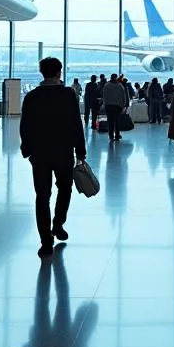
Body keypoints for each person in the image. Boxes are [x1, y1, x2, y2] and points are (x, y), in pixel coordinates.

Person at [19, 57, 86, 258]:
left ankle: (45, 241)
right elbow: (76, 123)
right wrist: (80, 150)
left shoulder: (32, 97)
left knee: (42, 196)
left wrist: (27, 149)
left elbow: (25, 126)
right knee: (65, 188)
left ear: (42, 72)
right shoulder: (68, 95)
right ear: (60, 72)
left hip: (40, 153)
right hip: (63, 151)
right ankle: (58, 223)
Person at [101, 73, 128, 143]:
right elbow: (123, 96)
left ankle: (111, 136)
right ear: (116, 78)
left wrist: (105, 104)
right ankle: (117, 135)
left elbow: (104, 96)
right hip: (117, 106)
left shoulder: (106, 85)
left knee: (110, 121)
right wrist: (123, 105)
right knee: (117, 121)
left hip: (108, 106)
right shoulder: (120, 86)